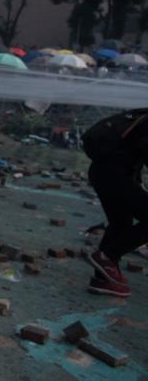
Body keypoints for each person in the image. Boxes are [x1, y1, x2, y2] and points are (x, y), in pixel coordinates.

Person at [82, 108, 148, 298]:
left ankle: (103, 280)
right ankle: (108, 257)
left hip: (102, 173)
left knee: (120, 222)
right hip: (116, 176)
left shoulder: (140, 115)